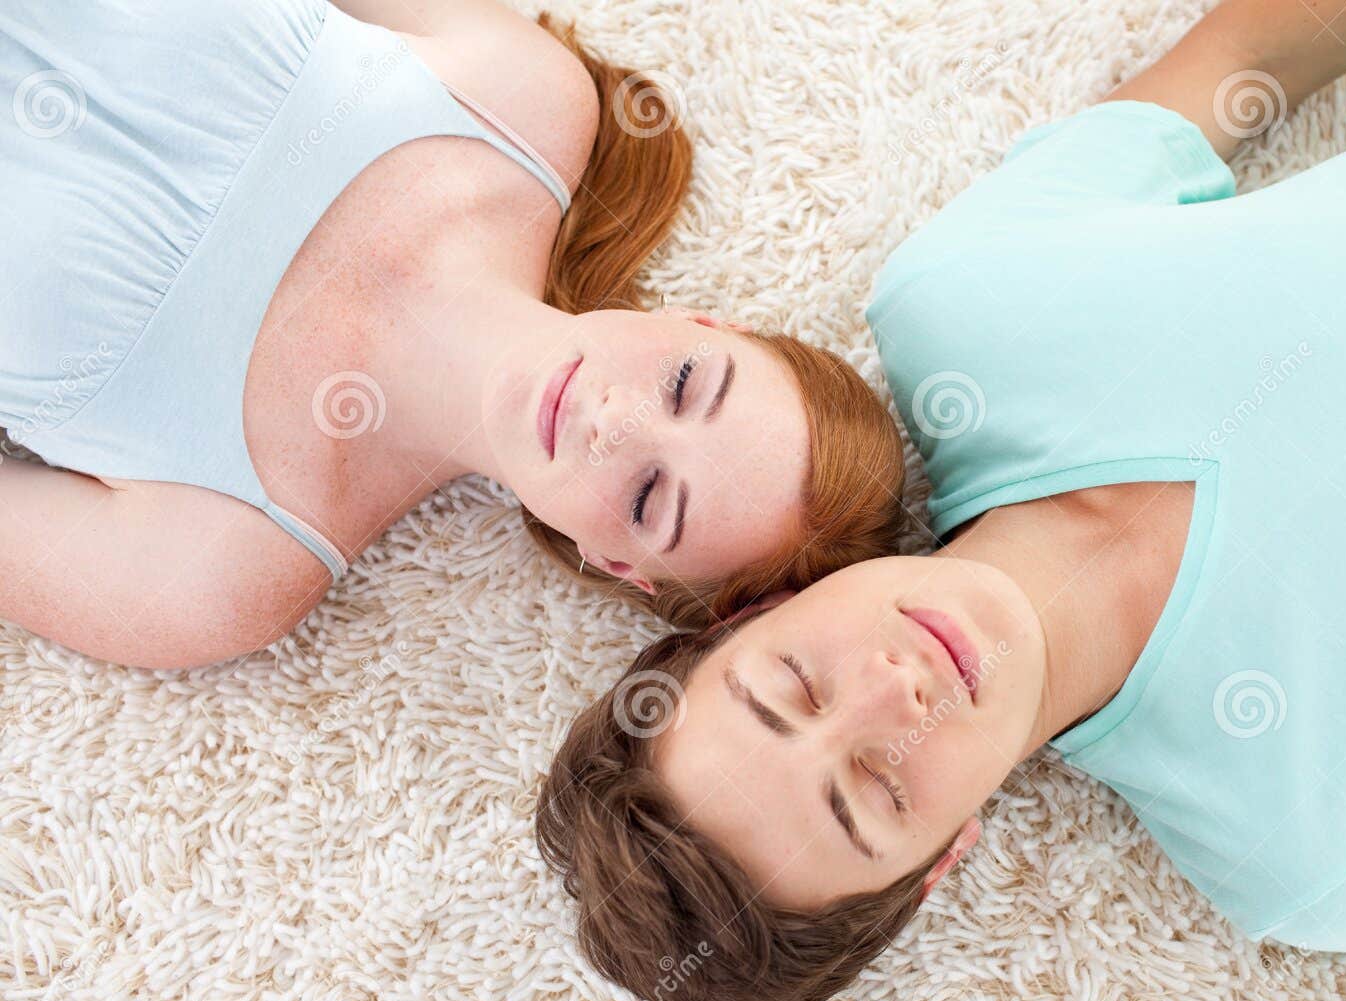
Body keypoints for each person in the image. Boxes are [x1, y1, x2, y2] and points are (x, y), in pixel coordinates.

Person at [538, 0, 1346, 1001]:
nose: (890, 692)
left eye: (794, 684)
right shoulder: (1314, 845)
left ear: (745, 615)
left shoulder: (967, 303)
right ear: (937, 863)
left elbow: (1253, 55)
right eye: (872, 790)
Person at [0, 0, 904, 668]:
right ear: (702, 322)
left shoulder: (219, 573)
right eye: (685, 384)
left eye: (647, 497)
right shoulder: (525, 102)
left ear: (617, 563)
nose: (615, 422)